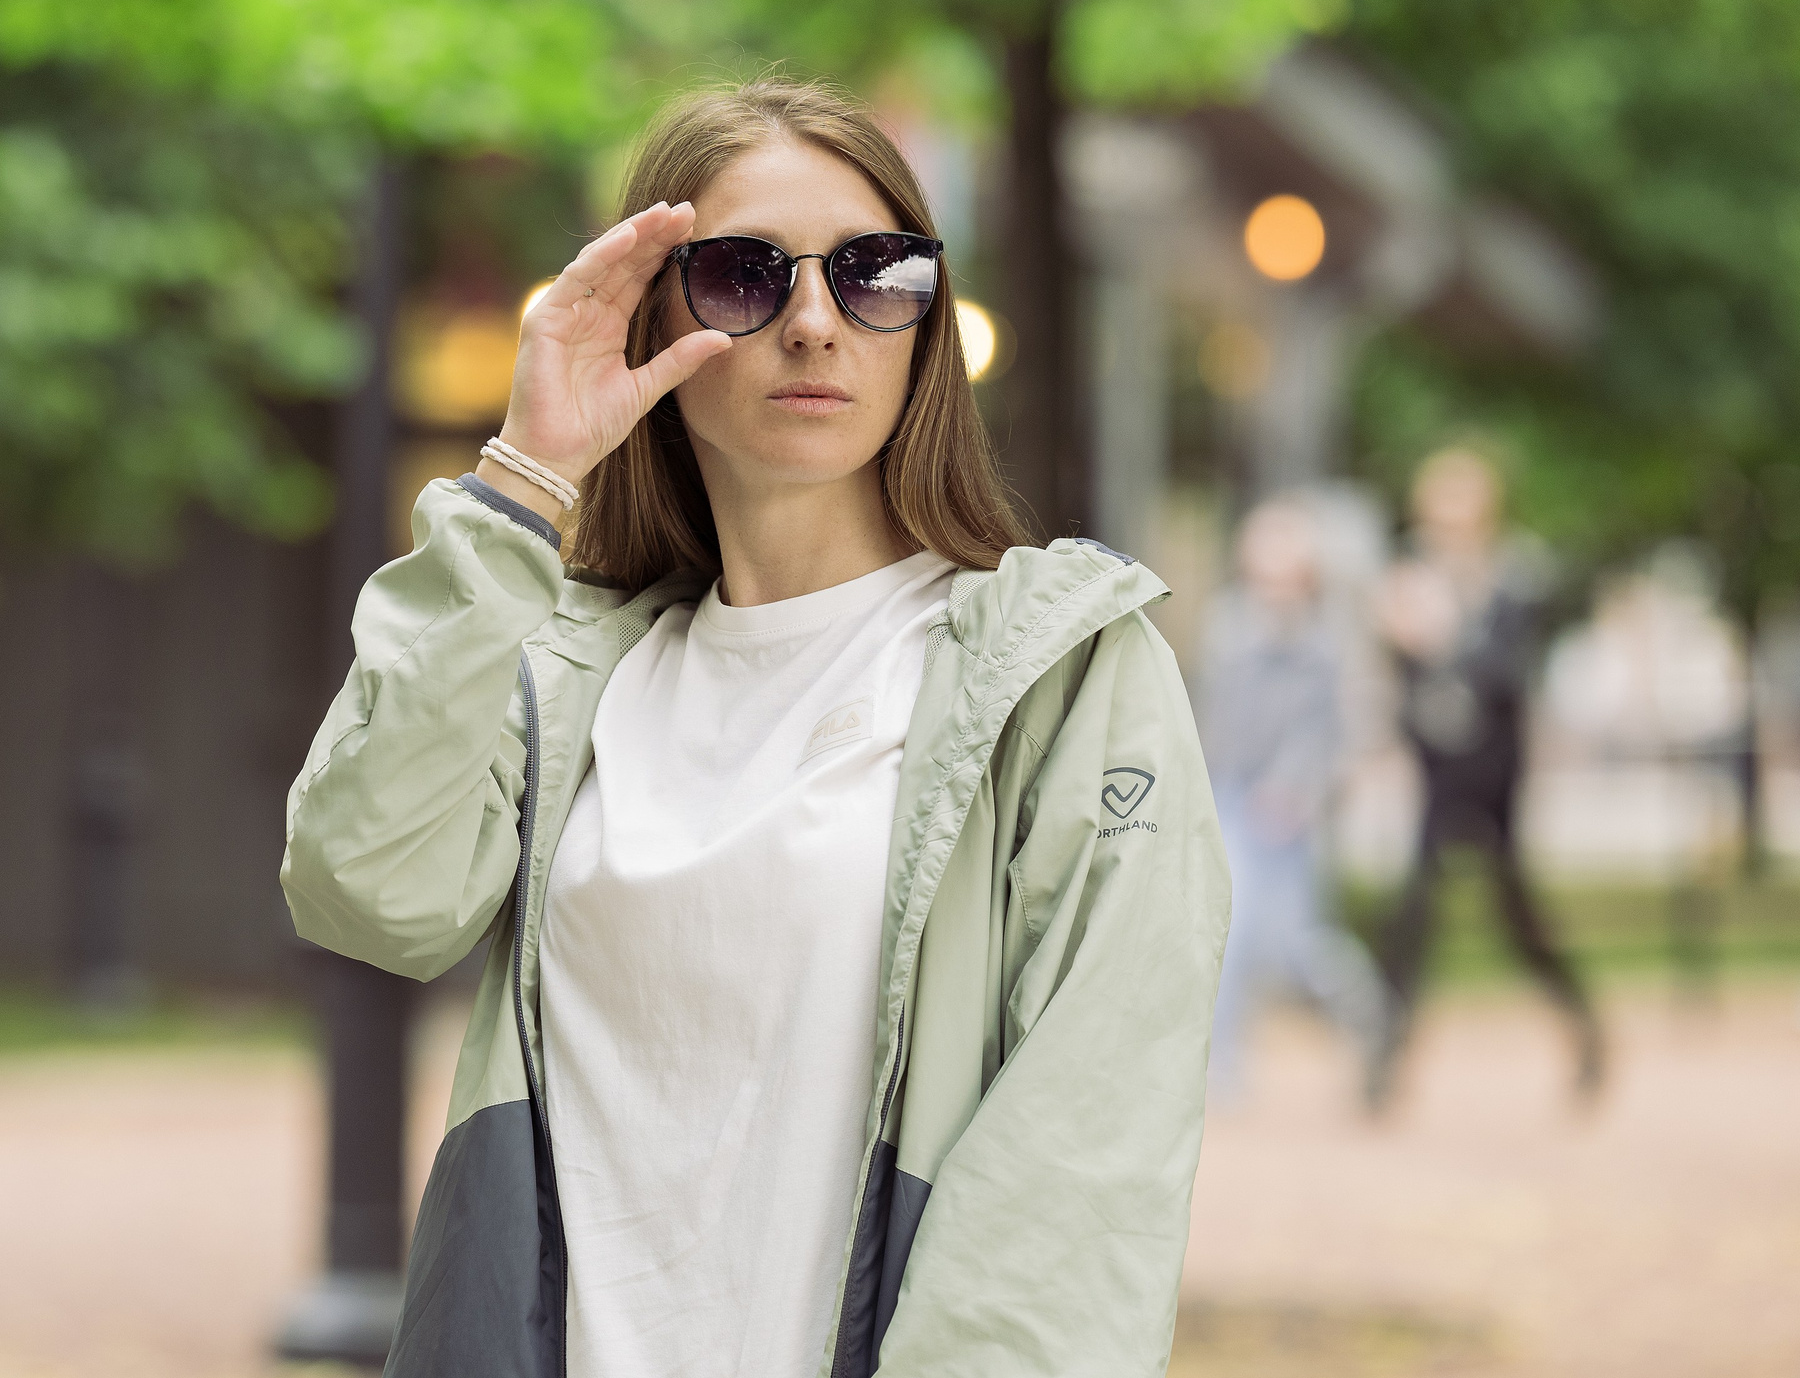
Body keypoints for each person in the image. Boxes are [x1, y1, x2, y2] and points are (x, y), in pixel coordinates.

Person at [280, 78, 1230, 1378]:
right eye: (742, 276)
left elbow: (1085, 1163)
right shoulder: (569, 675)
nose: (814, 321)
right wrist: (523, 476)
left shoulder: (1066, 677)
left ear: (925, 318)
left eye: (873, 272)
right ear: (648, 321)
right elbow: (365, 890)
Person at [1367, 446, 1602, 1111]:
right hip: (1437, 768)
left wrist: (1443, 634)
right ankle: (1383, 1060)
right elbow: (1400, 672)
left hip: (1495, 769)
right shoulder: (1409, 572)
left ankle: (1583, 1030)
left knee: (1517, 917)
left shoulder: (1516, 574)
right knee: (1413, 911)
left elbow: (1507, 670)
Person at [1200, 497, 1386, 1099]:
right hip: (1229, 795)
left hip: (1288, 809)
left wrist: (1295, 789)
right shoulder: (1228, 625)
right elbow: (1213, 716)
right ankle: (1221, 1064)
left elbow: (1326, 731)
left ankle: (1360, 1004)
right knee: (1228, 925)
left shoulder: (1324, 644)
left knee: (1294, 945)